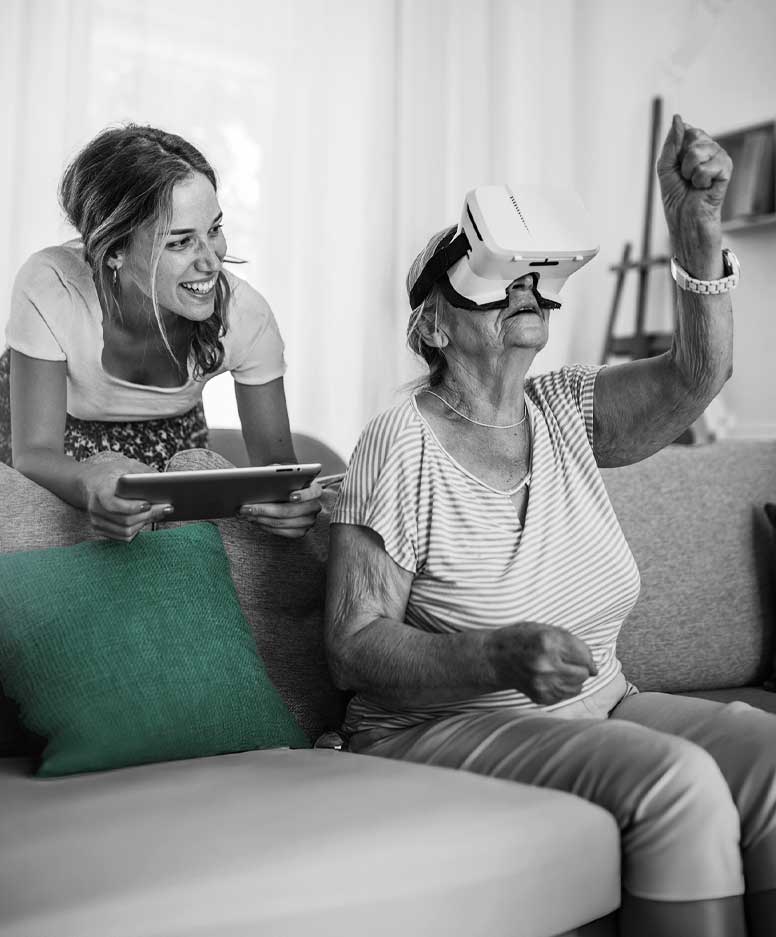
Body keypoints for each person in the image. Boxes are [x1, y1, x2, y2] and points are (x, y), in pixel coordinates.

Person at [324, 115, 776, 937]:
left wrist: (695, 228)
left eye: (532, 278)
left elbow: (698, 375)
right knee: (680, 780)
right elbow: (353, 642)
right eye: (495, 278)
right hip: (440, 726)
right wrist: (494, 652)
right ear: (433, 323)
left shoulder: (564, 407)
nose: (521, 289)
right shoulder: (398, 442)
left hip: (603, 700)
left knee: (767, 751)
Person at [1, 124, 320, 542]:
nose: (211, 261)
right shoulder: (52, 284)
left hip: (169, 433)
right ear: (114, 250)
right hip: (41, 441)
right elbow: (34, 453)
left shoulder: (246, 316)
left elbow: (278, 466)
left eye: (214, 229)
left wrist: (292, 503)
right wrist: (87, 482)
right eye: (180, 243)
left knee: (166, 544)